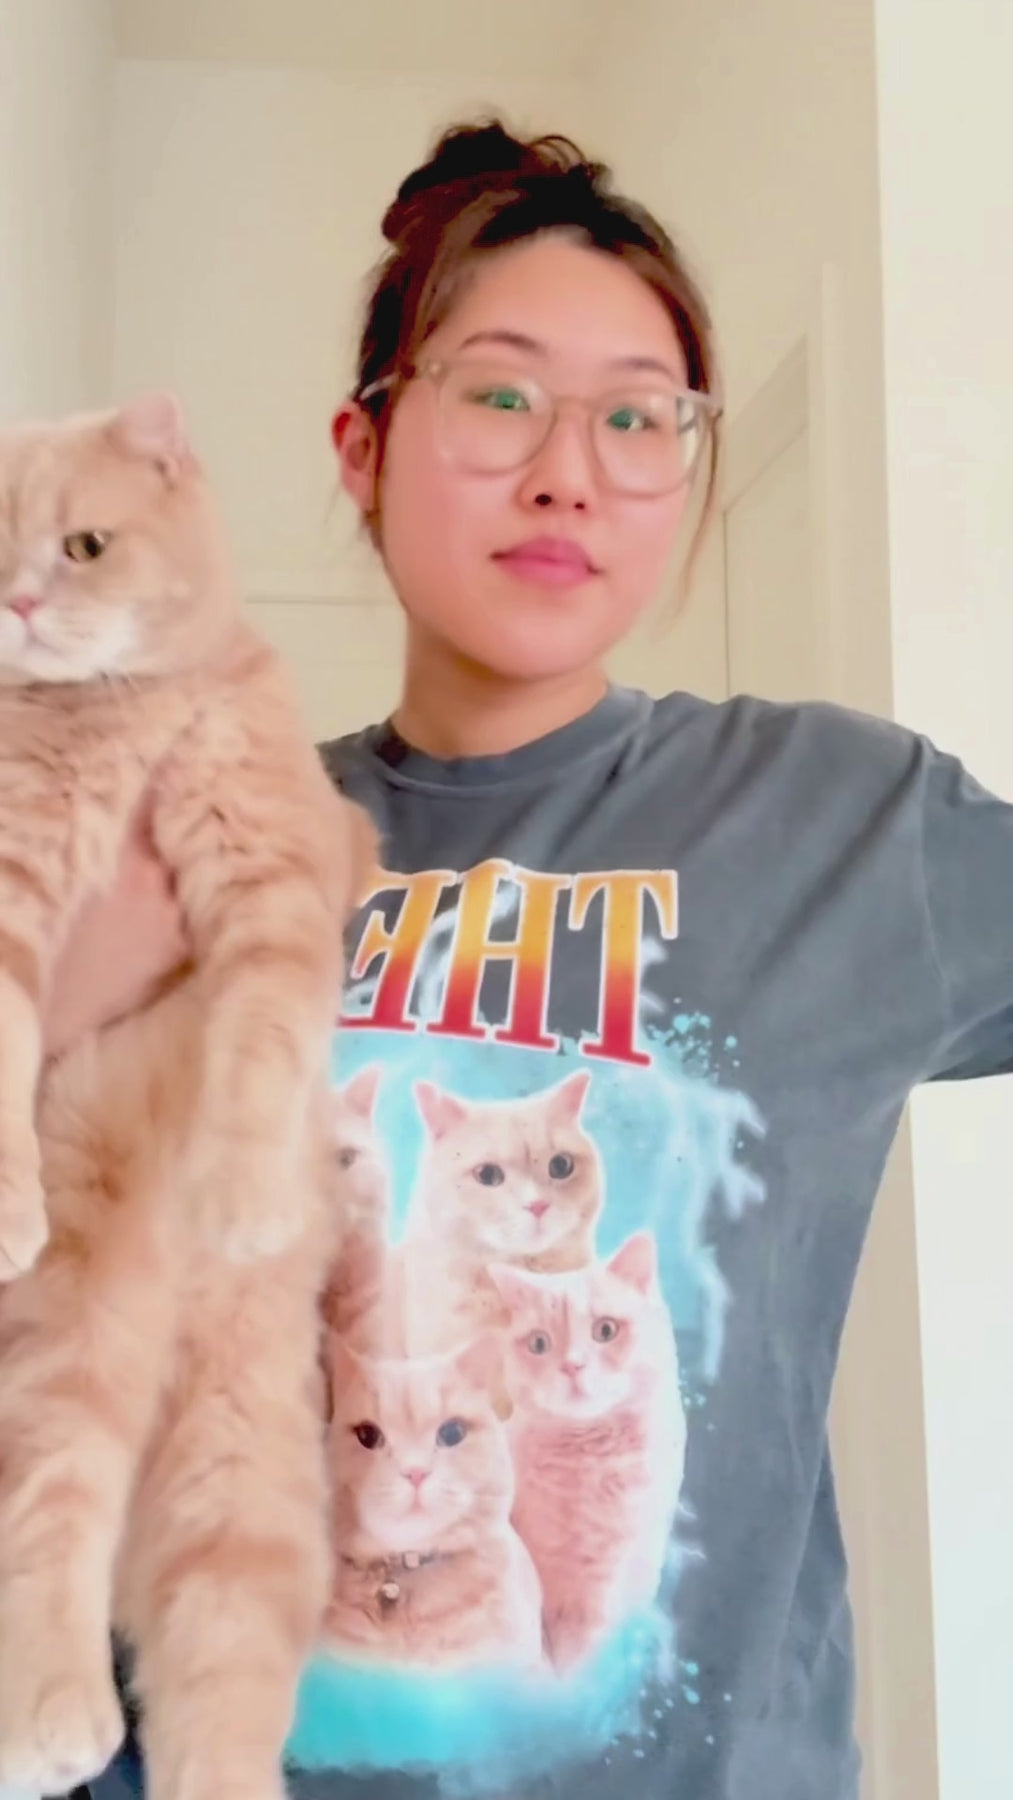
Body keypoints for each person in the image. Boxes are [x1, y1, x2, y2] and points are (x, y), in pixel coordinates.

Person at [62, 121, 1013, 1800]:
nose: (569, 470)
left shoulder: (845, 823)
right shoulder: (191, 834)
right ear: (364, 447)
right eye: (500, 396)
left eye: (638, 417)